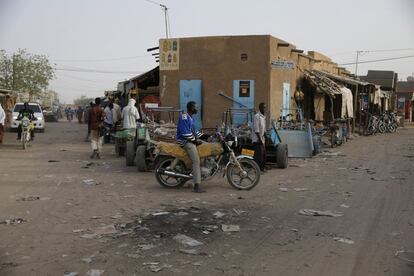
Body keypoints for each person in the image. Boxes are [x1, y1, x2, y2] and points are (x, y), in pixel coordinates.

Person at [176, 101, 204, 193]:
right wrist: (195, 141)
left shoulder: (191, 118)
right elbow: (185, 133)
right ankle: (197, 185)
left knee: (205, 145)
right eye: (196, 107)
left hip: (189, 140)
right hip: (185, 142)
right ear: (191, 108)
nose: (197, 109)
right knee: (196, 161)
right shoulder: (184, 117)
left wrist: (206, 136)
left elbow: (194, 132)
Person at [252, 102, 267, 172]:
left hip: (262, 139)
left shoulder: (263, 117)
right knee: (258, 156)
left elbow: (264, 128)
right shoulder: (257, 116)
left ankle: (262, 169)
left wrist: (265, 136)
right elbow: (256, 129)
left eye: (265, 107)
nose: (264, 109)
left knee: (263, 155)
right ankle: (257, 170)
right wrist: (260, 140)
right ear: (260, 108)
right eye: (263, 107)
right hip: (257, 140)